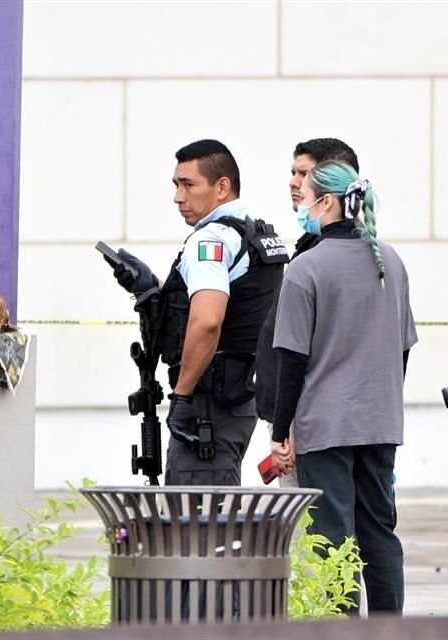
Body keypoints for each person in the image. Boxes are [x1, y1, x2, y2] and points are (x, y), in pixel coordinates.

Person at [270, 160, 417, 614]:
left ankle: (343, 629)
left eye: (308, 194)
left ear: (327, 202)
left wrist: (280, 432)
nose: (302, 204)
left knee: (334, 541)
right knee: (380, 534)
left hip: (326, 427)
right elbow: (403, 347)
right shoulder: (390, 261)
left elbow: (291, 360)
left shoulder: (305, 268)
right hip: (380, 422)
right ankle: (390, 627)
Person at [112, 139, 289, 485]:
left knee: (199, 524)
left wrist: (182, 395)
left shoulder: (211, 241)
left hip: (208, 405)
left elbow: (207, 321)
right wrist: (152, 287)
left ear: (222, 187)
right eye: (176, 185)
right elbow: (225, 304)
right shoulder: (252, 234)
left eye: (188, 185)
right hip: (237, 398)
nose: (178, 197)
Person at [255, 137, 360, 487]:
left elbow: (314, 352)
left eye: (304, 174)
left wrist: (293, 425)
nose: (293, 182)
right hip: (301, 423)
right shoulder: (312, 249)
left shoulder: (336, 257)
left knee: (315, 532)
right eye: (292, 172)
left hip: (313, 428)